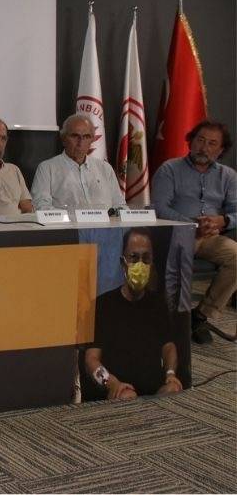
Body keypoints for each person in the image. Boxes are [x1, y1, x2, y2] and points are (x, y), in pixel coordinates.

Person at [151, 120, 236, 344]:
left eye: (212, 143)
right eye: (200, 140)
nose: (204, 147)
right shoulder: (170, 169)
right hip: (176, 233)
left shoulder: (228, 176)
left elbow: (235, 211)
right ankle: (171, 319)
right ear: (190, 142)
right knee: (178, 257)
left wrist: (223, 220)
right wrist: (191, 224)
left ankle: (200, 316)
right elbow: (159, 207)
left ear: (221, 150)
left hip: (210, 236)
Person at [84, 228, 182, 400]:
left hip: (154, 389)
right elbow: (91, 359)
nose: (140, 265)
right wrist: (110, 382)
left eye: (146, 258)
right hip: (120, 390)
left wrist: (170, 373)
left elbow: (169, 346)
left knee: (174, 389)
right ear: (123, 262)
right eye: (134, 258)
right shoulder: (103, 305)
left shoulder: (158, 303)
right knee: (127, 397)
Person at [31, 114, 126, 210]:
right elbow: (41, 206)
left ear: (92, 140)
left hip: (106, 220)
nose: (80, 142)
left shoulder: (105, 168)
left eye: (86, 136)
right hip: (68, 220)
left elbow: (119, 205)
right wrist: (72, 217)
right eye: (75, 136)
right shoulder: (47, 169)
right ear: (63, 139)